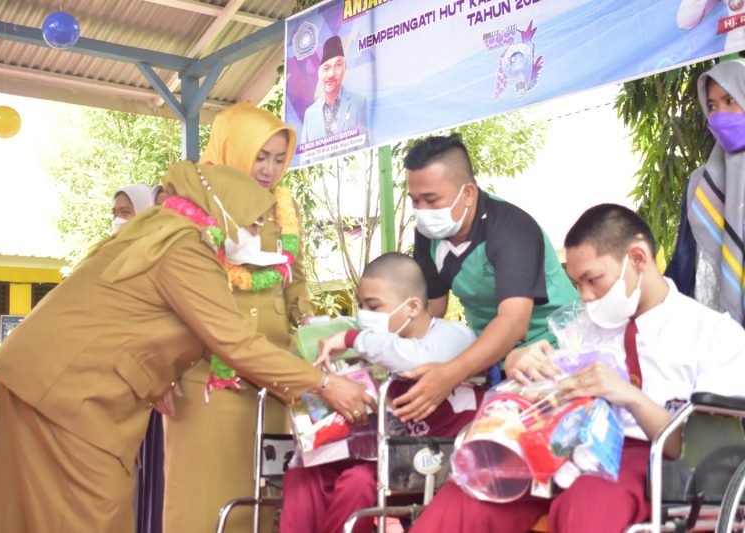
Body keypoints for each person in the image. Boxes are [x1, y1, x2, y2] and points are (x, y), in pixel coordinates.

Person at [0, 160, 373, 533]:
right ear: (225, 210)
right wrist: (324, 384)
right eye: (253, 223)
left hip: (48, 381)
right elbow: (234, 342)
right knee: (89, 514)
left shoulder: (164, 230)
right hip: (67, 392)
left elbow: (156, 321)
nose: (256, 235)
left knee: (41, 516)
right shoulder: (185, 248)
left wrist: (160, 380)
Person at [410, 203, 745, 533]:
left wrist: (628, 395)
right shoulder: (580, 330)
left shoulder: (715, 335)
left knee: (588, 499)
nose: (585, 296)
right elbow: (551, 404)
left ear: (638, 259)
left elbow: (701, 454)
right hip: (563, 450)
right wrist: (520, 365)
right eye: (576, 284)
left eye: (592, 279)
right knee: (474, 488)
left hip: (653, 462)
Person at [161, 102, 317, 533]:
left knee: (267, 498)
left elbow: (294, 278)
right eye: (259, 155)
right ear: (233, 148)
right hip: (206, 381)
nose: (268, 169)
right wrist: (158, 372)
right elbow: (162, 296)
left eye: (278, 159)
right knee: (206, 503)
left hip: (273, 380)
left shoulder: (281, 207)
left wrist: (309, 327)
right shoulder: (190, 201)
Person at [279, 252, 480, 533]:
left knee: (357, 482)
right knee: (304, 475)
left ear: (411, 306)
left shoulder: (456, 336)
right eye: (361, 306)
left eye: (373, 306)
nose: (364, 315)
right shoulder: (378, 344)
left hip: (430, 457)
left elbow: (415, 359)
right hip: (376, 451)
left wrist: (351, 338)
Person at [393, 134, 579, 423]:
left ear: (468, 193)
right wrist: (385, 343)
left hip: (553, 352)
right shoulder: (428, 235)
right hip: (492, 356)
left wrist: (451, 373)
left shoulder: (512, 229)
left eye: (431, 199)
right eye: (415, 201)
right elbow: (433, 311)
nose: (423, 212)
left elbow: (513, 322)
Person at [666, 59, 745, 325]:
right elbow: (684, 261)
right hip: (716, 337)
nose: (720, 114)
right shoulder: (700, 183)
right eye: (712, 106)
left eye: (730, 99)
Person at [299, 35, 369, 152]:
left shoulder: (358, 102)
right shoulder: (310, 114)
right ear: (319, 73)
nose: (331, 74)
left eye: (337, 65)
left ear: (345, 67)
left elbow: (364, 147)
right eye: (326, 68)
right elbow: (305, 157)